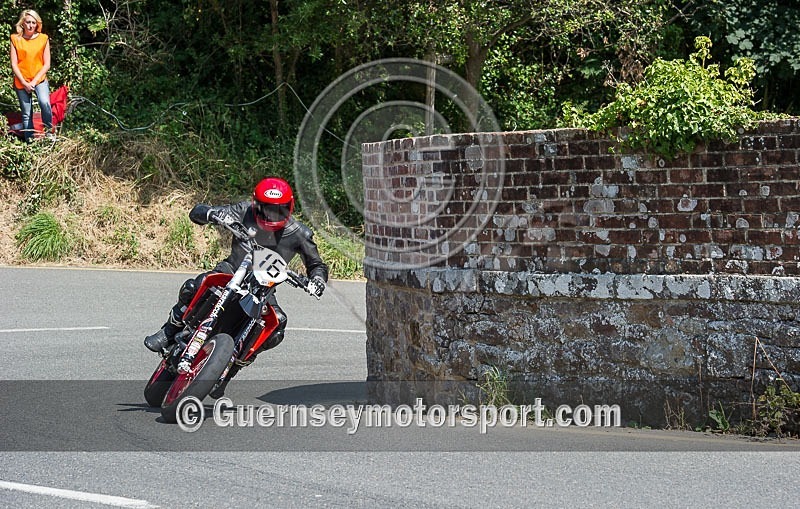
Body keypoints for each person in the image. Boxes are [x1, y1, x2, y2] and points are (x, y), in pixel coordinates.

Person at [144, 177, 329, 397]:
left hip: (264, 288)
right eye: (265, 209)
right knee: (196, 284)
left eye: (278, 210)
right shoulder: (243, 210)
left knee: (276, 324)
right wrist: (212, 214)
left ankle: (231, 369)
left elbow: (317, 264)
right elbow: (198, 212)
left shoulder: (300, 233)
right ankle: (169, 330)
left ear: (290, 207)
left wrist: (317, 280)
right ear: (254, 204)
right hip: (231, 270)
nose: (271, 215)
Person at [9, 9, 53, 143]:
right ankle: (30, 141)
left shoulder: (43, 39)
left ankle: (50, 133)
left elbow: (47, 64)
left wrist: (33, 82)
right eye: (28, 22)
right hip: (21, 81)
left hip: (38, 80)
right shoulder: (15, 39)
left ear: (37, 24)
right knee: (27, 113)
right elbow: (14, 64)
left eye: (34, 22)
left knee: (44, 102)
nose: (31, 25)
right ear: (22, 23)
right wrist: (24, 82)